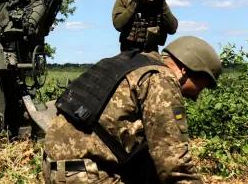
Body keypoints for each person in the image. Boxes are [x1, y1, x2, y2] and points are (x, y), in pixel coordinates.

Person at [43, 36, 222, 184]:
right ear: (185, 70)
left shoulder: (134, 65)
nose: (196, 96)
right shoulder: (162, 79)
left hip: (58, 168)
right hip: (86, 174)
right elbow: (174, 163)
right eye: (202, 86)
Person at [112, 0, 178, 52]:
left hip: (151, 51)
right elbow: (118, 25)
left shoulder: (160, 4)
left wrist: (163, 5)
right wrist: (133, 4)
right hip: (128, 51)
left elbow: (172, 29)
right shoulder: (124, 1)